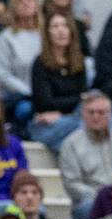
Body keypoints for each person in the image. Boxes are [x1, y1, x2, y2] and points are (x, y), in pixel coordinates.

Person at [59, 91, 112, 219]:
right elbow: (71, 183)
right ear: (83, 114)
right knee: (86, 208)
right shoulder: (70, 144)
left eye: (101, 112)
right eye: (91, 112)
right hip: (92, 200)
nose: (96, 117)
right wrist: (103, 196)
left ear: (111, 114)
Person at [28, 11, 87, 152]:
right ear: (47, 33)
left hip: (71, 120)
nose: (61, 30)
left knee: (92, 110)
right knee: (87, 122)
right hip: (47, 126)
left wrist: (63, 112)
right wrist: (77, 100)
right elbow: (45, 103)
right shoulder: (40, 63)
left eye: (65, 26)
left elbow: (83, 99)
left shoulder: (79, 61)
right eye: (55, 26)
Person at [0, 0, 43, 112]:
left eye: (29, 0)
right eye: (20, 1)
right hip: (14, 96)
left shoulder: (45, 36)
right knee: (25, 110)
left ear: (36, 5)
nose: (26, 4)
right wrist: (29, 93)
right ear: (13, 8)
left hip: (43, 95)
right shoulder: (6, 37)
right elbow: (3, 75)